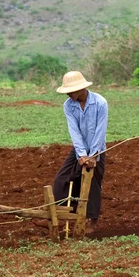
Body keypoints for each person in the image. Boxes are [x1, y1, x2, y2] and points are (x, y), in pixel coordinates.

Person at [34, 71, 108, 234]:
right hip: (78, 149)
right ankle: (57, 214)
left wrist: (93, 155)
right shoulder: (68, 105)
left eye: (71, 90)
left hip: (97, 149)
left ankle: (92, 222)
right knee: (62, 179)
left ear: (81, 89)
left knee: (93, 183)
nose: (68, 94)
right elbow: (74, 131)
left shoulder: (100, 103)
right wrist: (81, 154)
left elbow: (100, 131)